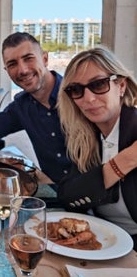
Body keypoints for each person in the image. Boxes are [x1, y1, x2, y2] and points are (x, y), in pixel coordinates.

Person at [0, 32, 71, 184]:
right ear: (7, 71)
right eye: (12, 64)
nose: (22, 70)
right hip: (55, 193)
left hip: (97, 199)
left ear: (45, 59)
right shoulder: (22, 107)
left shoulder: (78, 93)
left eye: (28, 59)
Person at [57, 47, 137, 249]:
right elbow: (68, 195)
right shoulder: (86, 137)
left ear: (121, 86)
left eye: (99, 84)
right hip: (105, 242)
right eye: (76, 90)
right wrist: (124, 161)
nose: (88, 98)